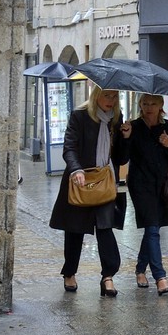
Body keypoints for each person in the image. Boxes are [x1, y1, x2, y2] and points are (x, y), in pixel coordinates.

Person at [50, 86, 131, 296]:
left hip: (104, 182)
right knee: (75, 230)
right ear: (96, 95)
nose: (111, 100)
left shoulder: (116, 119)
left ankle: (108, 277)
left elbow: (121, 158)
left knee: (105, 228)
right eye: (107, 95)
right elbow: (69, 147)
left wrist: (125, 137)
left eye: (115, 96)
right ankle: (69, 272)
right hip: (81, 181)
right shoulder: (80, 116)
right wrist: (76, 169)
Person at [127, 93, 168, 294]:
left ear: (161, 105)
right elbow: (123, 158)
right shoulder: (133, 127)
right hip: (140, 184)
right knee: (152, 228)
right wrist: (125, 137)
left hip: (162, 184)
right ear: (140, 105)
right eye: (145, 103)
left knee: (153, 228)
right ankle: (160, 276)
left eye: (153, 103)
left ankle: (140, 269)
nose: (148, 107)